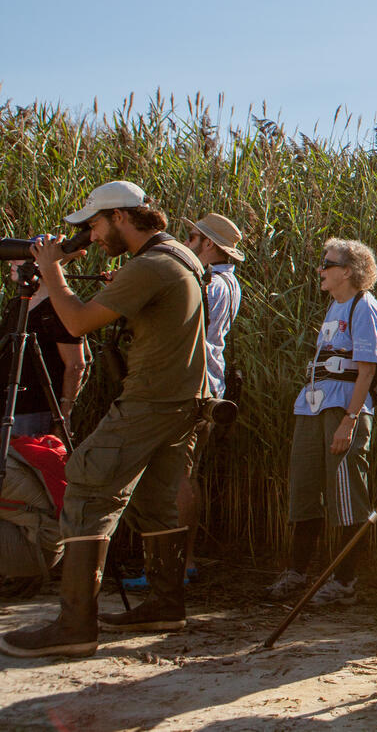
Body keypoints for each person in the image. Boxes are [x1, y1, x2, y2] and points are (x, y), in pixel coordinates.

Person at [1, 181, 207, 657]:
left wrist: (52, 271)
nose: (91, 236)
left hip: (151, 401)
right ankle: (164, 604)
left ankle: (75, 626)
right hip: (185, 401)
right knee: (156, 503)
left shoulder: (150, 265)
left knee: (87, 485)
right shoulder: (177, 257)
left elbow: (75, 323)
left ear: (118, 217)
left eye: (93, 225)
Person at [266, 238, 377, 607]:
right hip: (312, 408)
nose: (320, 270)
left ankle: (345, 582)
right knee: (304, 492)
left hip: (343, 410)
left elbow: (367, 371)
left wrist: (349, 422)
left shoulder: (363, 308)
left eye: (327, 263)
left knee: (347, 496)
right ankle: (297, 573)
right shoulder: (334, 308)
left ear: (348, 271)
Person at [128, 212, 243, 588]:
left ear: (208, 245)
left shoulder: (211, 284)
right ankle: (176, 564)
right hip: (204, 387)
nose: (186, 242)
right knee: (180, 473)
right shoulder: (224, 282)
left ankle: (178, 565)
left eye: (192, 237)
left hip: (193, 389)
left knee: (178, 475)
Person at [2, 260, 86, 439]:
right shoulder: (18, 302)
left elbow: (76, 365)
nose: (11, 262)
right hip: (8, 405)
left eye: (19, 257)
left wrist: (62, 416)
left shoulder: (58, 307)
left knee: (23, 464)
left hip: (34, 409)